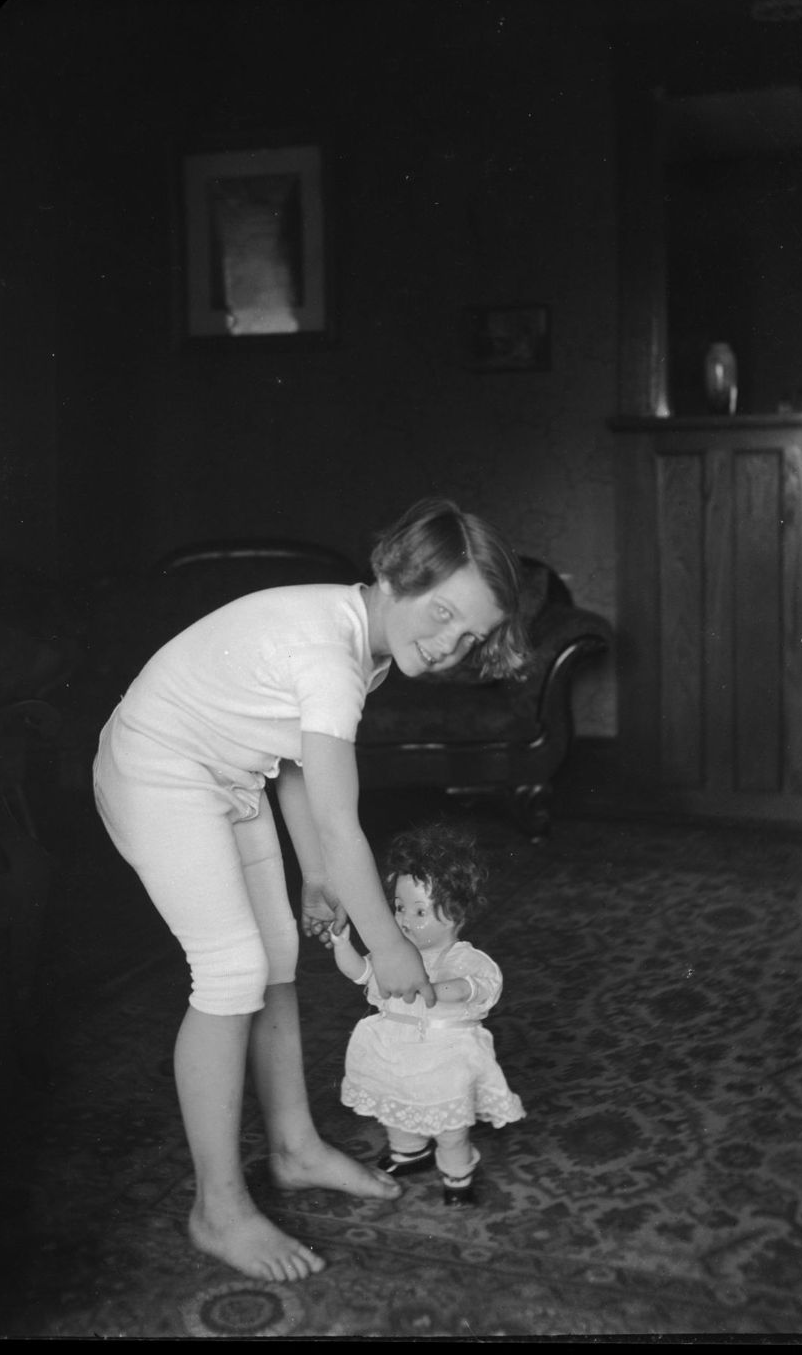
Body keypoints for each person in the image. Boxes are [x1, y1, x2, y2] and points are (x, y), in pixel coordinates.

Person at [92, 497, 529, 1280]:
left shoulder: (369, 639)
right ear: (396, 575)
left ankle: (293, 1148)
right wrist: (388, 946)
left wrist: (320, 878)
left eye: (471, 636)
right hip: (158, 769)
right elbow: (339, 817)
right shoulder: (330, 654)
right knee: (228, 973)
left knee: (277, 958)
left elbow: (293, 754)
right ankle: (216, 1210)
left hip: (228, 774)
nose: (450, 644)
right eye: (442, 615)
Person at [329, 820, 525, 1206]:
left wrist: (433, 989)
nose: (403, 919)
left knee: (450, 1127)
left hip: (444, 1059)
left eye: (420, 911)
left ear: (454, 914)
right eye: (400, 907)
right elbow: (362, 973)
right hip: (395, 1050)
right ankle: (409, 1151)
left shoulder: (462, 958)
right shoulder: (394, 954)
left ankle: (457, 1173)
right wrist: (341, 942)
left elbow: (476, 985)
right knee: (397, 1108)